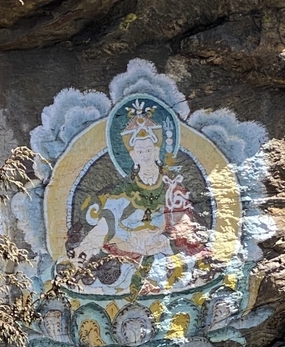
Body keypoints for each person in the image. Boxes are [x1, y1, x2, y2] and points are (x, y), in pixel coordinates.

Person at [67, 109, 211, 297]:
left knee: (188, 271)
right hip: (127, 255)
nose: (145, 156)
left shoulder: (172, 188)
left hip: (163, 253)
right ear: (133, 156)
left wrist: (163, 242)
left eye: (149, 150)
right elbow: (105, 225)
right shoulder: (121, 191)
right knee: (110, 279)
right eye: (140, 151)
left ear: (156, 151)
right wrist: (85, 247)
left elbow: (185, 227)